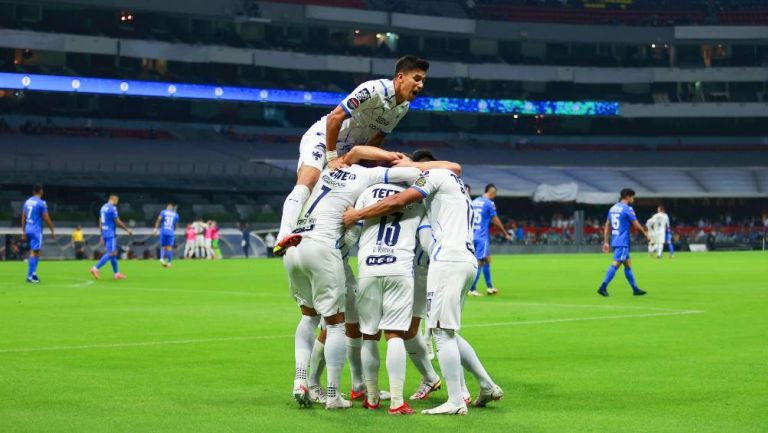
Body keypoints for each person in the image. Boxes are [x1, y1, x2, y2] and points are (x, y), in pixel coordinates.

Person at [342, 156, 504, 416]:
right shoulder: (456, 185)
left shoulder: (431, 180)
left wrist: (357, 214)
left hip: (441, 261)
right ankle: (485, 384)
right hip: (465, 259)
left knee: (439, 333)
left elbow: (397, 201)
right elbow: (455, 167)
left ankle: (456, 398)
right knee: (446, 331)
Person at [283, 146, 417, 410]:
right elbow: (411, 172)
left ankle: (303, 380)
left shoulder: (326, 169)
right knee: (335, 325)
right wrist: (398, 158)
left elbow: (354, 150)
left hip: (294, 245)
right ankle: (333, 395)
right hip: (324, 249)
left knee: (309, 317)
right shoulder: (366, 178)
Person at [273, 55, 430, 257]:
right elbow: (335, 117)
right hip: (322, 139)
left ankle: (336, 247)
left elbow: (377, 138)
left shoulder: (403, 107)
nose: (421, 84)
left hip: (348, 152)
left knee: (349, 193)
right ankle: (283, 235)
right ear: (400, 77)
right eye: (416, 78)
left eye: (423, 80)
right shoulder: (374, 89)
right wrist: (331, 156)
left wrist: (364, 167)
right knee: (308, 181)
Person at [345, 182, 435, 415]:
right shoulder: (417, 198)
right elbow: (426, 241)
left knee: (369, 335)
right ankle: (396, 402)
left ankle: (372, 398)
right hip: (399, 269)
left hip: (368, 268)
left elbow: (352, 231)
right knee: (394, 334)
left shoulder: (367, 193)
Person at [598, 188, 651, 297]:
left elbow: (607, 225)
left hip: (616, 240)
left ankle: (635, 289)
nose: (633, 199)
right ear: (627, 196)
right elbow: (636, 225)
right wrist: (645, 234)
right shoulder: (627, 209)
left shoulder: (612, 208)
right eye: (632, 197)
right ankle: (603, 287)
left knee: (628, 265)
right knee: (616, 264)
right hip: (622, 241)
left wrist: (606, 241)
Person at [469, 184, 511, 297]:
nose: (495, 196)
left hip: (471, 235)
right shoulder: (489, 203)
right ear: (492, 192)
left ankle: (490, 287)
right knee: (480, 262)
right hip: (482, 237)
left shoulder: (474, 201)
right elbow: (495, 220)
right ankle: (472, 289)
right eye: (495, 193)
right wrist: (505, 233)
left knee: (487, 260)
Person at [90, 194, 132, 280]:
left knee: (113, 254)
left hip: (105, 233)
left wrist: (101, 234)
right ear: (115, 200)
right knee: (111, 253)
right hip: (110, 233)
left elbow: (100, 221)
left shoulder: (103, 207)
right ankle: (95, 268)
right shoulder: (113, 208)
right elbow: (117, 222)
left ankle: (116, 274)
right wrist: (127, 230)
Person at [21, 184, 55, 283]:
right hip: (36, 230)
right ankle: (30, 276)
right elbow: (46, 217)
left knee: (36, 251)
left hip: (28, 228)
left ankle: (34, 274)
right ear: (41, 191)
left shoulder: (27, 202)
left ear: (33, 192)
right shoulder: (41, 203)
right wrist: (52, 229)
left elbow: (23, 216)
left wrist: (23, 231)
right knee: (34, 251)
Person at [153, 203, 179, 267]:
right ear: (172, 208)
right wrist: (174, 228)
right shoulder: (176, 215)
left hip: (163, 231)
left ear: (167, 207)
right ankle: (169, 263)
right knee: (169, 247)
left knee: (163, 246)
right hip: (170, 232)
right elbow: (176, 225)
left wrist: (155, 229)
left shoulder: (163, 212)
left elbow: (159, 219)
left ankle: (161, 258)